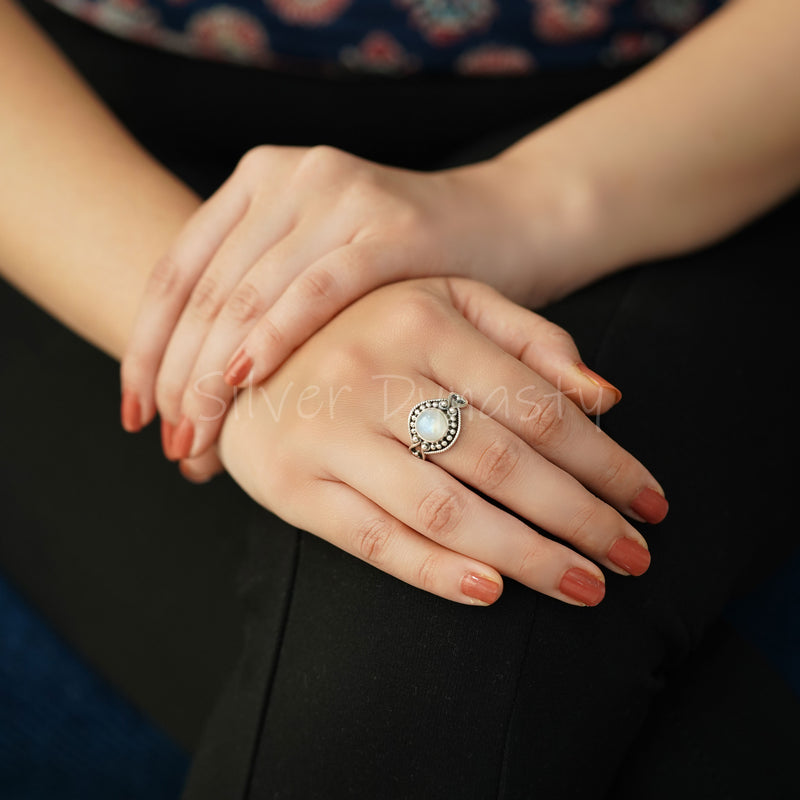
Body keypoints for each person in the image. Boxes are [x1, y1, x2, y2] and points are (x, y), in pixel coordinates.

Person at [0, 0, 798, 796]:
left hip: (678, 133)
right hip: (66, 163)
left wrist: (524, 202)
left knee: (467, 608)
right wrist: (239, 330)